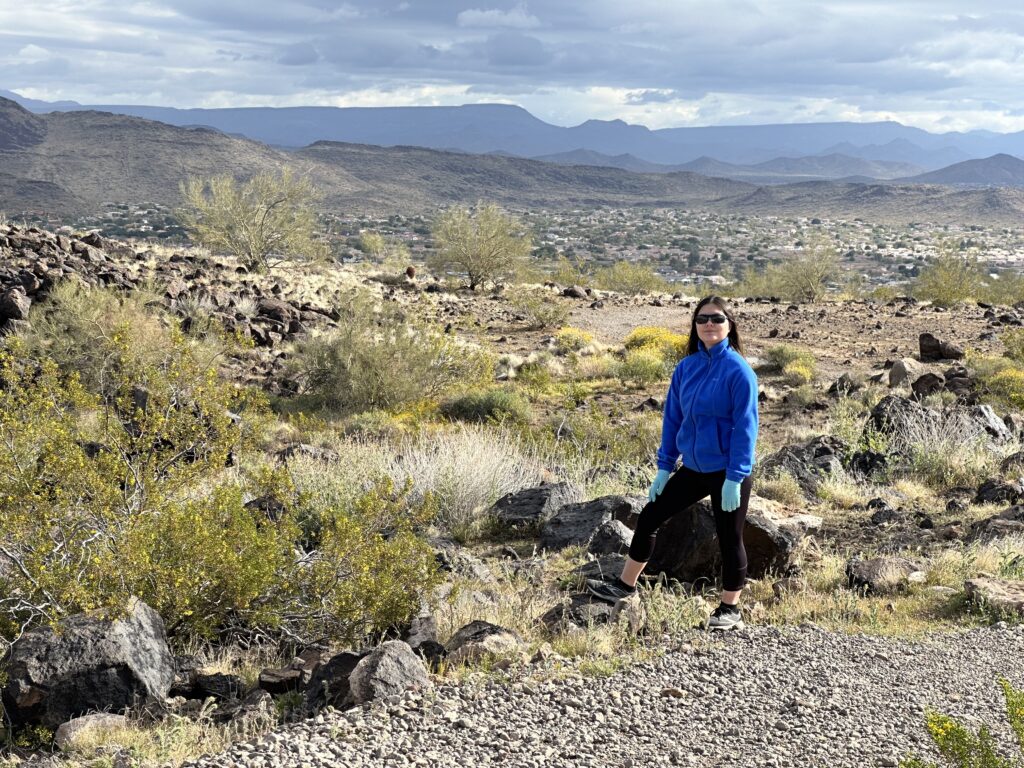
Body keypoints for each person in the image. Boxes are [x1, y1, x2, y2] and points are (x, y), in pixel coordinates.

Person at [587, 295, 759, 631]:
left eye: (717, 319)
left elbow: (745, 428)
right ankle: (624, 587)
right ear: (695, 326)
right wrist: (665, 467)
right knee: (650, 515)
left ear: (729, 325)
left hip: (726, 471)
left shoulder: (739, 371)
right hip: (693, 469)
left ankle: (729, 609)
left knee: (729, 536)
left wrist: (735, 477)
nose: (709, 324)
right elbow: (673, 419)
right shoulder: (687, 368)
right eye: (702, 319)